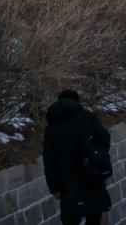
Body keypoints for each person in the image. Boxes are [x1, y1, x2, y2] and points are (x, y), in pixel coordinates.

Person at [43, 90, 111, 225]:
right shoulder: (88, 117)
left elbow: (49, 159)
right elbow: (105, 138)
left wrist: (54, 187)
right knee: (94, 217)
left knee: (71, 218)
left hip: (67, 182)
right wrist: (99, 156)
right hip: (92, 176)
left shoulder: (51, 128)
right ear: (76, 101)